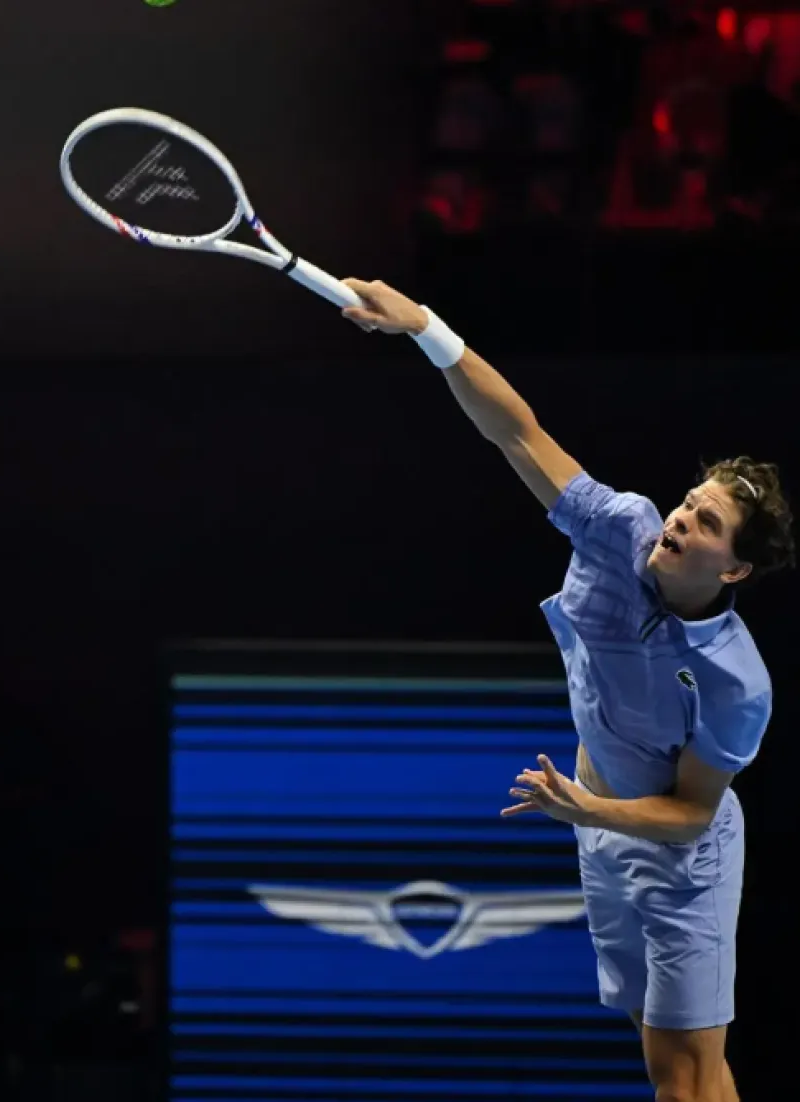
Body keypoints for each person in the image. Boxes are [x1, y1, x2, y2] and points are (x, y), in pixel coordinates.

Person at [338, 279, 795, 1102]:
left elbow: (691, 812)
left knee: (687, 1078)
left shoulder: (737, 679)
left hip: (682, 855)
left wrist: (588, 810)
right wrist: (425, 327)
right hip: (598, 823)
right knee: (671, 1062)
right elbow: (518, 433)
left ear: (733, 568)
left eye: (704, 523)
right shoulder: (620, 526)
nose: (678, 521)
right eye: (688, 503)